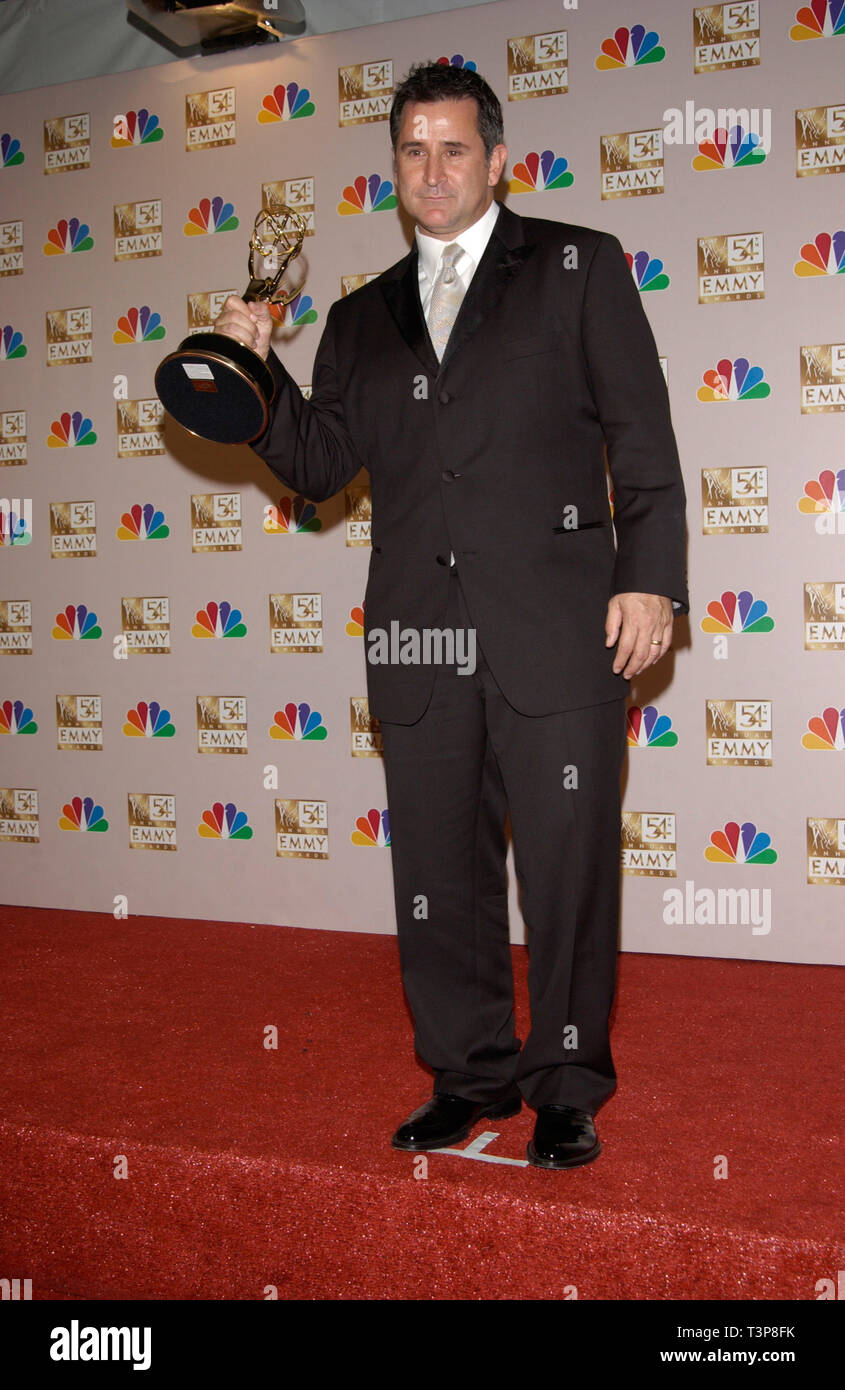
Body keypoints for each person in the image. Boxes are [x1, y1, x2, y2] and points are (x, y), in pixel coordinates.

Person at [214, 62, 687, 1168]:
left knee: (567, 865)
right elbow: (324, 466)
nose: (433, 170)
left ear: (497, 158)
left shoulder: (576, 267)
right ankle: (467, 1074)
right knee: (436, 873)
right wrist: (255, 378)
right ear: (392, 167)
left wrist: (649, 577)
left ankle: (564, 1082)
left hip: (560, 627)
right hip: (421, 636)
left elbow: (644, 445)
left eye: (454, 148)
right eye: (412, 151)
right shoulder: (355, 317)